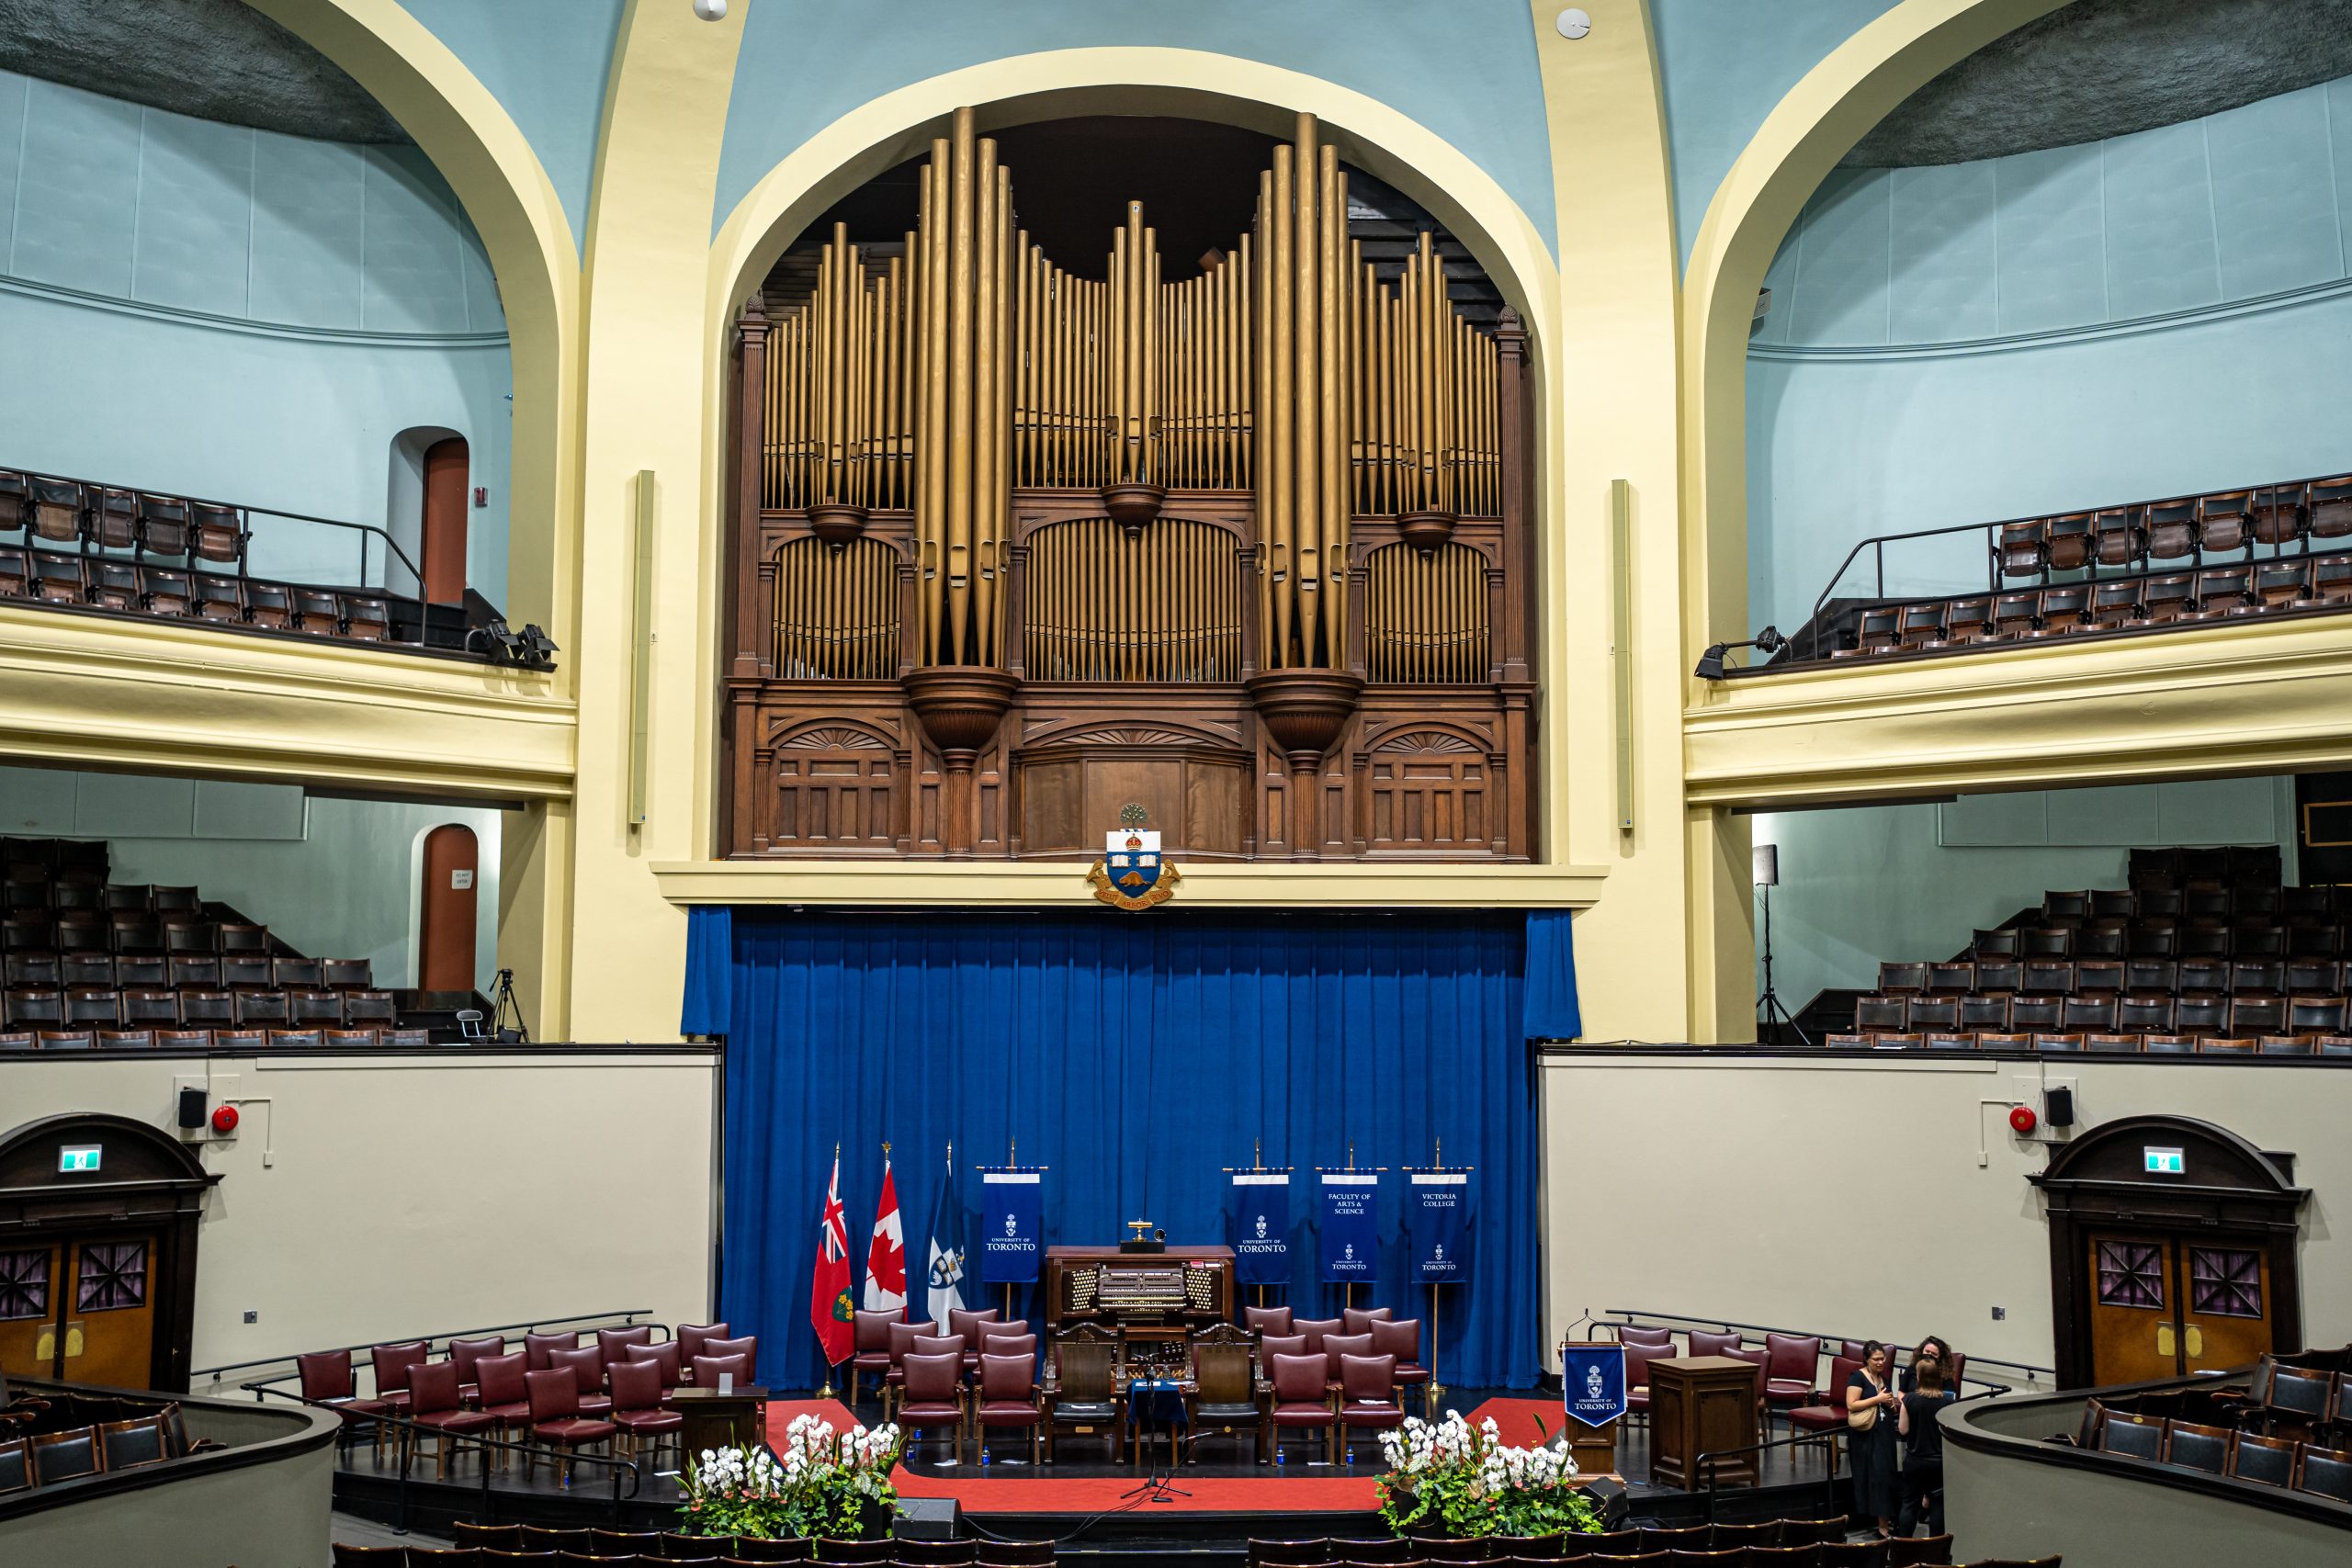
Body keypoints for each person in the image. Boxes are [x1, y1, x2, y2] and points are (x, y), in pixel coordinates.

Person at [1845, 1340, 1901, 1538]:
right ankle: (1881, 1525)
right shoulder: (1857, 1377)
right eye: (1876, 1359)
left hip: (1884, 1432)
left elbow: (1887, 1402)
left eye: (1882, 1359)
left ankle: (1886, 1521)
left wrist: (1891, 1404)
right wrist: (1877, 1399)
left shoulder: (1883, 1377)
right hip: (1866, 1435)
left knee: (1886, 1475)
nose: (1880, 1362)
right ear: (1866, 1359)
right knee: (1875, 1476)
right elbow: (1851, 1405)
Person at [1897, 1351, 1956, 1537]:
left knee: (1909, 1505)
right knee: (1938, 1506)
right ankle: (1936, 1552)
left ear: (1920, 1376)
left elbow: (1903, 1430)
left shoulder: (1909, 1399)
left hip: (1915, 1460)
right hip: (1938, 1462)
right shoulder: (1947, 1402)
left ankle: (1903, 1548)